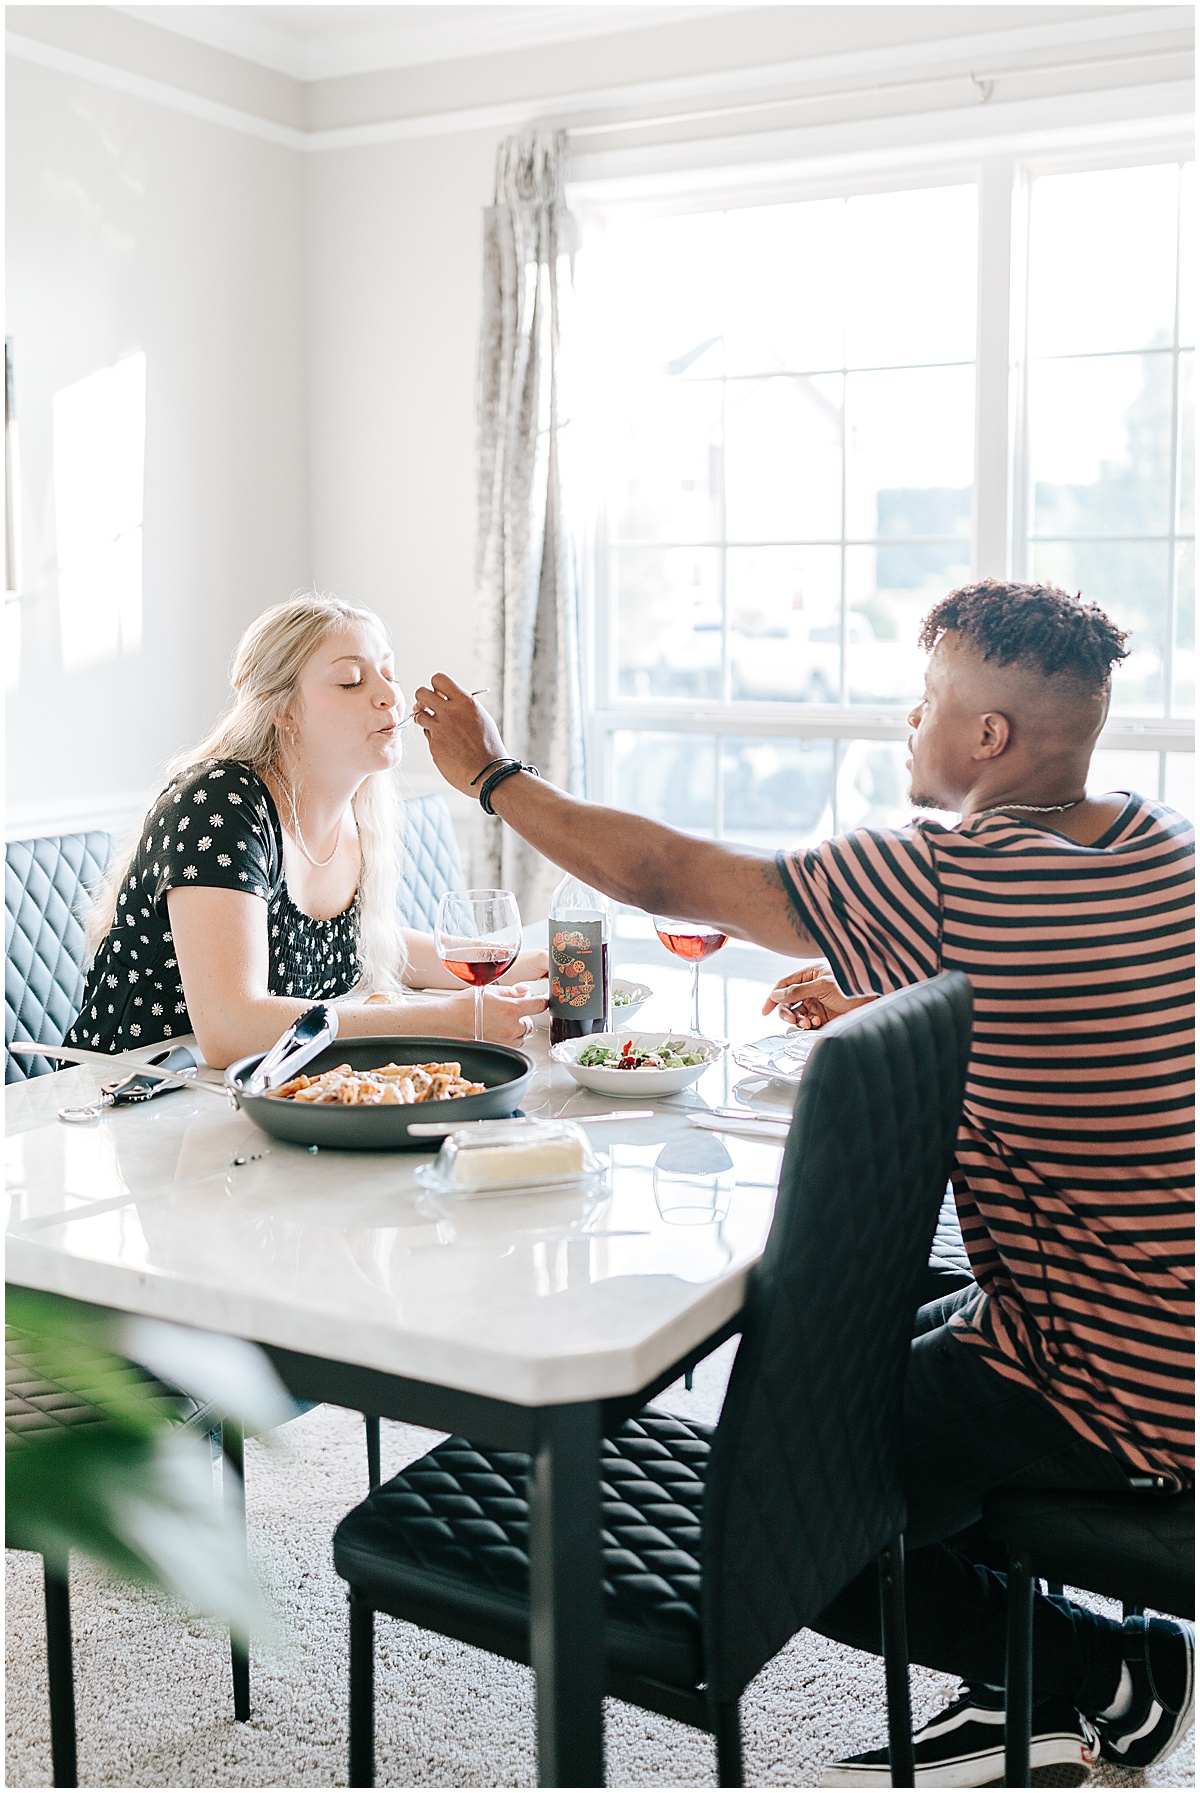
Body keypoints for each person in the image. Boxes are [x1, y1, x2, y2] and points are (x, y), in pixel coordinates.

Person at [414, 579, 1194, 1786]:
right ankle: (1024, 1678)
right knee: (830, 1368)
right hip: (1145, 1313)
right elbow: (1078, 1013)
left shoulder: (948, 876)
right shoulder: (1156, 840)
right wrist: (887, 996)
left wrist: (491, 774)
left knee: (785, 1512)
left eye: (927, 698)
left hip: (1113, 1370)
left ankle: (1106, 1671)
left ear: (989, 736)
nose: (907, 720)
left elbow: (669, 873)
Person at [72, 594, 546, 1067]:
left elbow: (366, 939)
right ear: (282, 711)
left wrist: (509, 964)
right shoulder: (220, 804)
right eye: (350, 681)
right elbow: (230, 1028)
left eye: (389, 672)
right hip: (126, 1098)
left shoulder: (356, 810)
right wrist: (448, 1019)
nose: (390, 695)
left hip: (246, 1092)